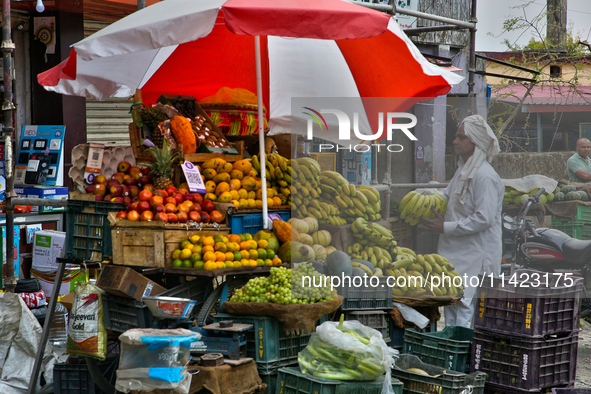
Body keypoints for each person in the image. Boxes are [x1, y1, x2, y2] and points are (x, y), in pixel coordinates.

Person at [419, 114, 504, 328]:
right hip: (455, 250)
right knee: (452, 302)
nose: (455, 141)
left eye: (461, 137)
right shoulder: (463, 170)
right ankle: (452, 350)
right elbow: (447, 196)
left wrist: (445, 227)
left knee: (465, 306)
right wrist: (422, 198)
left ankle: (463, 355)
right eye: (456, 137)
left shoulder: (484, 176)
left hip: (475, 253)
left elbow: (484, 218)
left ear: (475, 142)